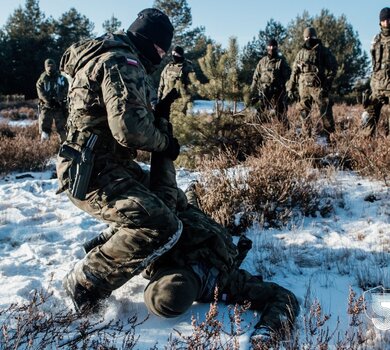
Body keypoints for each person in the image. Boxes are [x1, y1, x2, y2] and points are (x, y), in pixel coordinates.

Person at [57, 8, 299, 345]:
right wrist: (165, 141)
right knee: (159, 222)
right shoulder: (122, 60)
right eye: (161, 50)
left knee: (158, 213)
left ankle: (101, 255)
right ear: (153, 43)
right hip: (97, 170)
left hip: (102, 165)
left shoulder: (106, 54)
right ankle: (87, 281)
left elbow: (159, 179)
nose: (160, 58)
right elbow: (130, 130)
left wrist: (163, 124)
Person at [286, 27, 337, 141]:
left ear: (315, 36)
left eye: (311, 36)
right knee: (304, 113)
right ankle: (306, 138)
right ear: (304, 38)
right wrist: (290, 87)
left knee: (325, 111)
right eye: (306, 37)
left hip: (319, 87)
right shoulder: (300, 53)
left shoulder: (323, 51)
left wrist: (327, 82)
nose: (309, 39)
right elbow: (294, 72)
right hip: (303, 88)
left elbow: (333, 68)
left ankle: (330, 138)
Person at [361, 7, 390, 137]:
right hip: (377, 86)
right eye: (384, 20)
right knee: (368, 114)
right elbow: (374, 65)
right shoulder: (376, 40)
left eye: (389, 19)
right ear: (380, 22)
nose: (387, 22)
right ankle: (366, 148)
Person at [249, 39, 291, 127]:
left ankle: (285, 131)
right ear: (267, 47)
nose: (271, 48)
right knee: (260, 111)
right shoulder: (262, 62)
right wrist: (252, 91)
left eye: (274, 46)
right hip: (264, 91)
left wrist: (288, 90)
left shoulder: (281, 61)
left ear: (276, 47)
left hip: (278, 91)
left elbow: (288, 77)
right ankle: (259, 130)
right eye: (270, 46)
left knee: (281, 112)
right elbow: (255, 77)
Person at [36, 58, 69, 142]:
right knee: (45, 129)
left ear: (55, 66)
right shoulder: (41, 80)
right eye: (48, 66)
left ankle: (64, 147)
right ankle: (45, 147)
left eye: (51, 66)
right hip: (46, 107)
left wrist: (58, 99)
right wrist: (49, 101)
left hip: (59, 107)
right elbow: (40, 92)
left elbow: (66, 90)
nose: (50, 68)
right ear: (45, 67)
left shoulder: (62, 79)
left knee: (62, 128)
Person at [158, 46, 194, 114]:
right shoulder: (168, 66)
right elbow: (161, 84)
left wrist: (186, 105)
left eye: (176, 54)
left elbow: (190, 89)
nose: (174, 55)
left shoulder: (187, 67)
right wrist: (159, 99)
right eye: (173, 53)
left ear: (180, 55)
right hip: (164, 102)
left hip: (178, 105)